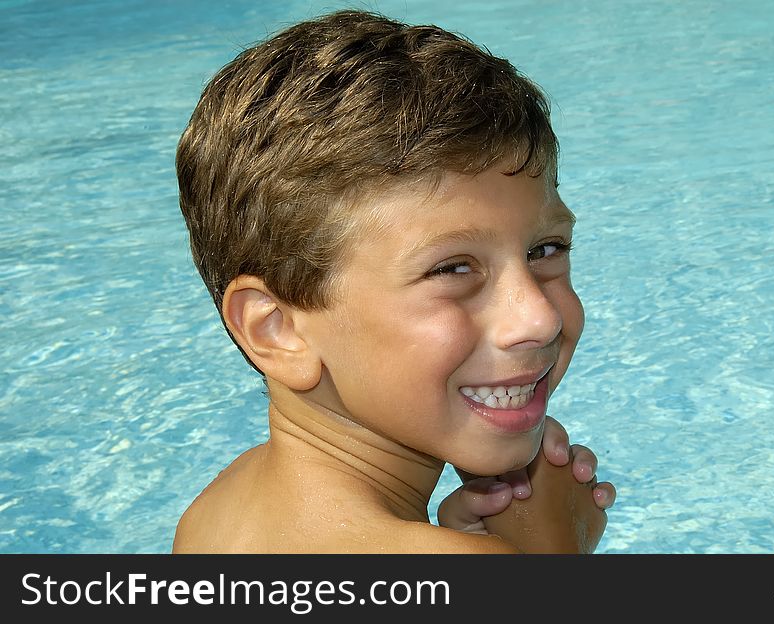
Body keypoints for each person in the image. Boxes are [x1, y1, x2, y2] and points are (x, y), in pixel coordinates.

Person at [172, 9, 615, 554]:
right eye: (452, 268)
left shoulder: (221, 510)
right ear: (277, 329)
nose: (539, 318)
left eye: (545, 250)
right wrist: (554, 555)